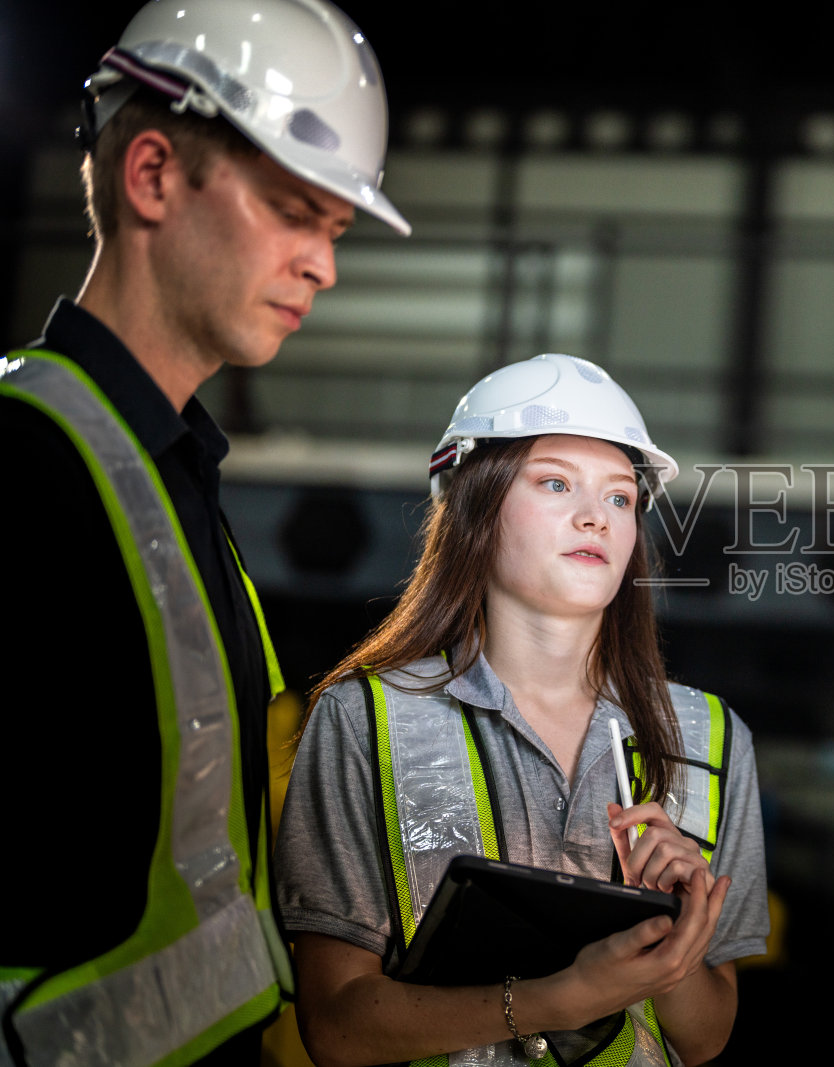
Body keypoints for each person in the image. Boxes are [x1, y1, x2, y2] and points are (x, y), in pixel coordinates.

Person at [0, 2, 409, 1064]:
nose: (322, 265)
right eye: (291, 211)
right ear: (150, 177)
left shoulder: (166, 478)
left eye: (336, 229)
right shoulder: (24, 464)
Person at [273, 353, 770, 1067]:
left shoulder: (713, 737)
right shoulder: (366, 718)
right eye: (556, 482)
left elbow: (703, 1036)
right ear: (473, 502)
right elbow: (336, 1027)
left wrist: (677, 935)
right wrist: (557, 997)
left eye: (622, 497)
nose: (595, 515)